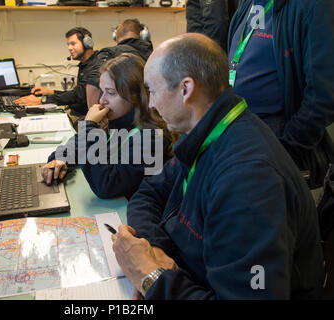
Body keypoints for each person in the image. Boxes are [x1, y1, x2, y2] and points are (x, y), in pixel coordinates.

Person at [111, 34, 324, 299]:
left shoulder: (248, 179)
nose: (151, 104)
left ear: (186, 89)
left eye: (152, 90)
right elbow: (148, 192)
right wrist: (156, 249)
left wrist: (151, 278)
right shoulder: (207, 133)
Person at [227, 0, 334, 189]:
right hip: (238, 136)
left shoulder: (315, 5)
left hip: (276, 144)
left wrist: (287, 148)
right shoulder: (249, 2)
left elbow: (324, 94)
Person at [41, 53, 173, 200]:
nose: (102, 100)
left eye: (110, 93)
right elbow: (76, 146)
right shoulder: (117, 122)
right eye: (102, 91)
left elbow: (106, 185)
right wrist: (61, 159)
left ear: (135, 96)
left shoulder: (152, 138)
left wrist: (89, 128)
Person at [14, 27, 101, 116]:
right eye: (68, 44)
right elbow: (77, 93)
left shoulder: (96, 66)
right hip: (77, 113)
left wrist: (42, 100)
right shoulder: (85, 64)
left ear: (87, 43)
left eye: (73, 44)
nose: (69, 48)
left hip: (85, 118)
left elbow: (78, 96)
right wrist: (50, 92)